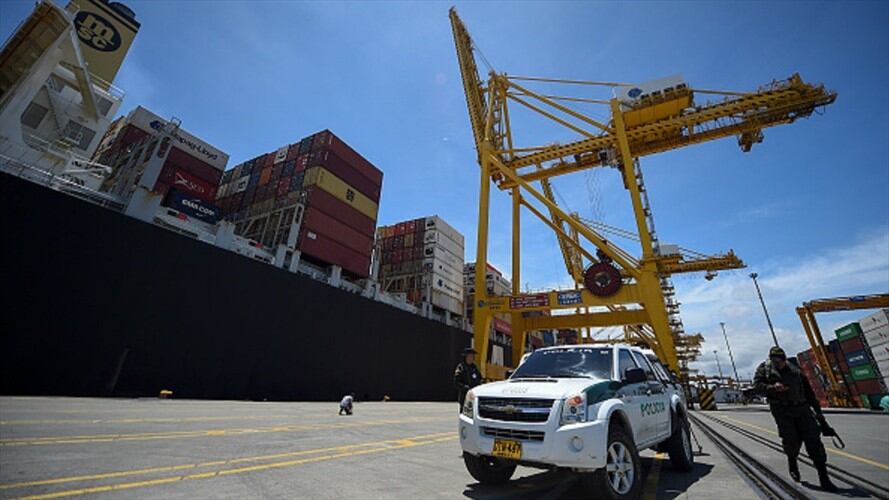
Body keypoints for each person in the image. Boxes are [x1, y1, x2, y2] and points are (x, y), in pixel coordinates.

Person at [754, 346, 837, 492]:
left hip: (802, 408)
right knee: (791, 440)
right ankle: (792, 462)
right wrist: (773, 387)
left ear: (784, 359)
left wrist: (818, 412)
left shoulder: (795, 369)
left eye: (780, 360)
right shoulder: (764, 369)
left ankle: (824, 478)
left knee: (814, 441)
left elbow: (809, 392)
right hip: (782, 410)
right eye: (775, 361)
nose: (778, 363)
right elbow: (758, 387)